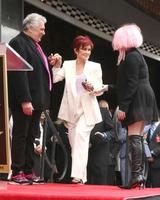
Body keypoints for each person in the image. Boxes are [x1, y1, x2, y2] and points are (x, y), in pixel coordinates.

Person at [99, 23, 159, 188]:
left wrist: (123, 108)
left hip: (138, 99)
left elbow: (131, 84)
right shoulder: (134, 55)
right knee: (137, 137)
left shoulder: (132, 56)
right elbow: (127, 85)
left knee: (134, 136)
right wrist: (106, 88)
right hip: (142, 97)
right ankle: (137, 176)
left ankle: (136, 176)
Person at [8, 13, 62, 184]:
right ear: (30, 27)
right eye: (42, 29)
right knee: (21, 135)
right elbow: (19, 73)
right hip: (25, 99)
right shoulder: (18, 42)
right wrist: (25, 99)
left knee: (31, 136)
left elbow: (34, 66)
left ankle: (29, 170)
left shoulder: (33, 44)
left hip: (36, 99)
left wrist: (48, 62)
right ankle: (17, 171)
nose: (44, 32)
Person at [50, 35, 103, 184]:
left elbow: (99, 88)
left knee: (80, 137)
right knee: (76, 145)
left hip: (87, 111)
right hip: (71, 111)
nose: (87, 52)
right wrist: (56, 65)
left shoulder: (95, 66)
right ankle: (82, 177)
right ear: (76, 50)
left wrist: (93, 88)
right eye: (84, 49)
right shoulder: (67, 65)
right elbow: (55, 79)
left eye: (89, 50)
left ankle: (77, 176)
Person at [87, 100, 116, 185]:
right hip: (84, 154)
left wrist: (104, 135)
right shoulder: (80, 112)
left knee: (99, 183)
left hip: (99, 154)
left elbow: (112, 131)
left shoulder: (103, 112)